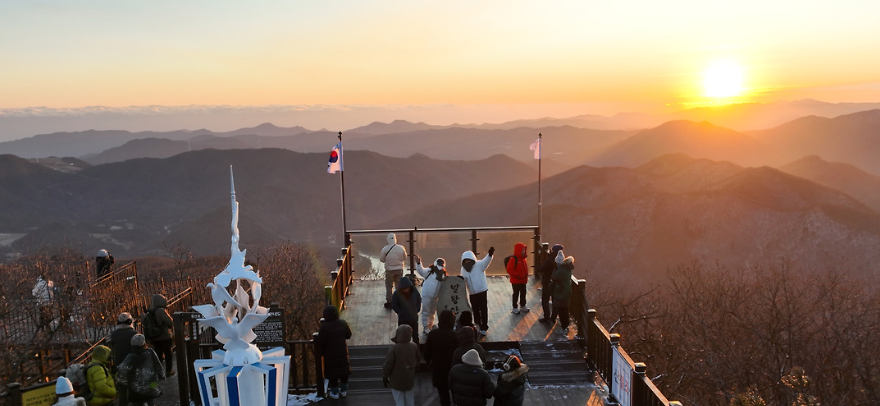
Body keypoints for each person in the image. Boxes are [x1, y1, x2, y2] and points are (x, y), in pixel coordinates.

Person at [315, 305, 352, 399]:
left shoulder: (325, 327)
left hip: (330, 354)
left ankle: (334, 392)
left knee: (333, 374)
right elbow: (348, 335)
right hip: (342, 352)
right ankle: (343, 391)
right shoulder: (343, 323)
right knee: (344, 372)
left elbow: (321, 341)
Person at [116, 334, 164, 406]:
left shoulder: (131, 356)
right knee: (150, 400)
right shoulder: (150, 352)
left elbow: (123, 369)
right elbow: (157, 365)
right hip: (150, 384)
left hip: (135, 387)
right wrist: (161, 375)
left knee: (137, 402)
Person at [424, 310, 458, 406]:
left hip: (439, 369)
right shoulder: (455, 335)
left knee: (443, 397)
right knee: (456, 394)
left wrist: (428, 361)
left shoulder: (433, 334)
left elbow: (427, 352)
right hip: (454, 369)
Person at [382, 324, 420, 406]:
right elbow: (418, 361)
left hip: (396, 380)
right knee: (410, 401)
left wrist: (385, 377)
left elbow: (388, 364)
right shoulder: (414, 346)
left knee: (399, 401)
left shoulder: (394, 349)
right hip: (409, 379)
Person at [460, 247, 494, 336]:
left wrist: (490, 255)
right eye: (465, 260)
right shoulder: (463, 270)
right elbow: (462, 280)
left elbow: (486, 261)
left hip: (482, 291)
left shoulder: (479, 265)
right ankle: (478, 325)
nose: (467, 262)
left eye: (468, 260)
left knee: (483, 310)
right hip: (472, 293)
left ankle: (484, 327)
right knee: (475, 310)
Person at [109, 312, 138, 406]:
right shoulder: (134, 334)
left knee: (122, 389)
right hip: (133, 363)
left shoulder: (114, 335)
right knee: (134, 386)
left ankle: (123, 403)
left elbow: (112, 349)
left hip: (119, 364)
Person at [414, 256, 447, 335]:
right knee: (425, 311)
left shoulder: (443, 275)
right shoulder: (430, 271)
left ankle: (430, 326)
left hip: (435, 297)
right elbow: (421, 271)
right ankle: (425, 327)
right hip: (427, 295)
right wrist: (418, 263)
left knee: (432, 312)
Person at [144, 294, 174, 377]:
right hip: (165, 336)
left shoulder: (149, 311)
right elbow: (170, 322)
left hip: (154, 336)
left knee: (158, 354)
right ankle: (169, 370)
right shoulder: (161, 311)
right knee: (168, 353)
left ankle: (158, 372)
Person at [380, 233, 407, 309]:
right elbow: (404, 257)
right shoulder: (401, 248)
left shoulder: (385, 249)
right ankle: (399, 300)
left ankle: (389, 301)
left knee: (389, 285)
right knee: (398, 285)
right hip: (399, 269)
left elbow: (382, 259)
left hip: (389, 270)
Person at [538, 244, 564, 323]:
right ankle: (553, 317)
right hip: (556, 283)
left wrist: (539, 262)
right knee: (554, 300)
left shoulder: (550, 260)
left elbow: (541, 269)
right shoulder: (562, 260)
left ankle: (547, 317)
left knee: (545, 300)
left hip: (548, 282)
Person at [391, 276, 422, 343]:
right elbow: (394, 305)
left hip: (413, 317)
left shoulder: (414, 290)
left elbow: (419, 299)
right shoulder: (397, 294)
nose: (406, 290)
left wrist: (417, 309)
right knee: (402, 334)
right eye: (404, 288)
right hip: (403, 318)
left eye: (407, 288)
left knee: (415, 335)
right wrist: (400, 312)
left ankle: (417, 347)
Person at [550, 251, 575, 334]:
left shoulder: (561, 270)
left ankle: (564, 327)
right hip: (566, 291)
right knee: (565, 310)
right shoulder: (567, 269)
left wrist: (555, 269)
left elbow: (553, 277)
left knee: (561, 310)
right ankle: (565, 326)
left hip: (561, 292)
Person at [505, 242, 530, 314]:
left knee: (523, 293)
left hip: (523, 280)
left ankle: (523, 305)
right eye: (522, 249)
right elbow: (509, 269)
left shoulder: (524, 259)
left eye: (524, 250)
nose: (523, 251)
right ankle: (515, 307)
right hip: (516, 280)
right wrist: (518, 274)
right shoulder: (513, 259)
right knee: (516, 293)